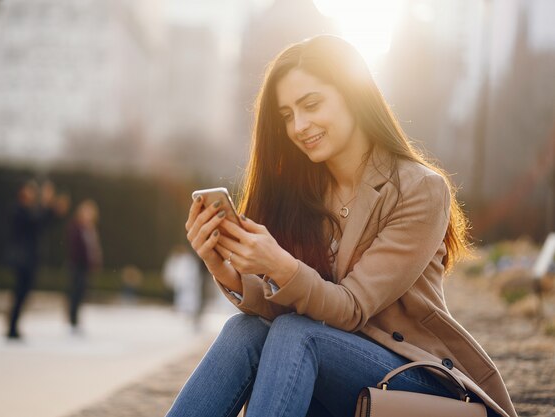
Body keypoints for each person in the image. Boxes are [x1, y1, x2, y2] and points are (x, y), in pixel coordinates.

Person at [167, 35, 517, 417]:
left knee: (297, 335)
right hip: (330, 367)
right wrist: (226, 269)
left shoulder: (420, 189)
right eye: (286, 115)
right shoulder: (305, 193)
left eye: (311, 104)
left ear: (353, 95)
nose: (299, 126)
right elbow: (296, 304)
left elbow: (350, 308)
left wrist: (280, 265)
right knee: (244, 332)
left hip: (416, 381)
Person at [5, 180, 69, 340]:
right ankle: (12, 325)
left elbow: (43, 221)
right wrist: (47, 204)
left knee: (24, 293)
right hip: (22, 259)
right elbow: (36, 220)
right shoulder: (19, 211)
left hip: (29, 259)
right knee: (20, 292)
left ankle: (14, 324)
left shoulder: (28, 211)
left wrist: (52, 209)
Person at [66, 199, 102, 333]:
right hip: (77, 265)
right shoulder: (76, 227)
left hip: (85, 265)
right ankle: (72, 320)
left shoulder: (90, 228)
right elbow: (76, 248)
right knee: (75, 292)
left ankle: (76, 319)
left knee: (81, 292)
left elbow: (93, 248)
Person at [163, 244, 204, 330]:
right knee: (183, 300)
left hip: (189, 285)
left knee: (190, 301)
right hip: (184, 284)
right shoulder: (180, 260)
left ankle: (192, 318)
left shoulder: (188, 260)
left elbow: (191, 273)